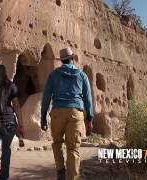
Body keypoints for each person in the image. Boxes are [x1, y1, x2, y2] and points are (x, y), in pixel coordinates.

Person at [41, 47, 93, 180]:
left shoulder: (54, 75)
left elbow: (46, 97)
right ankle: (73, 177)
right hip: (76, 112)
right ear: (72, 58)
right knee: (73, 148)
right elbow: (88, 98)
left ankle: (60, 172)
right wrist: (90, 118)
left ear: (61, 61)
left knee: (57, 143)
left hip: (58, 112)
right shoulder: (82, 75)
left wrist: (43, 117)